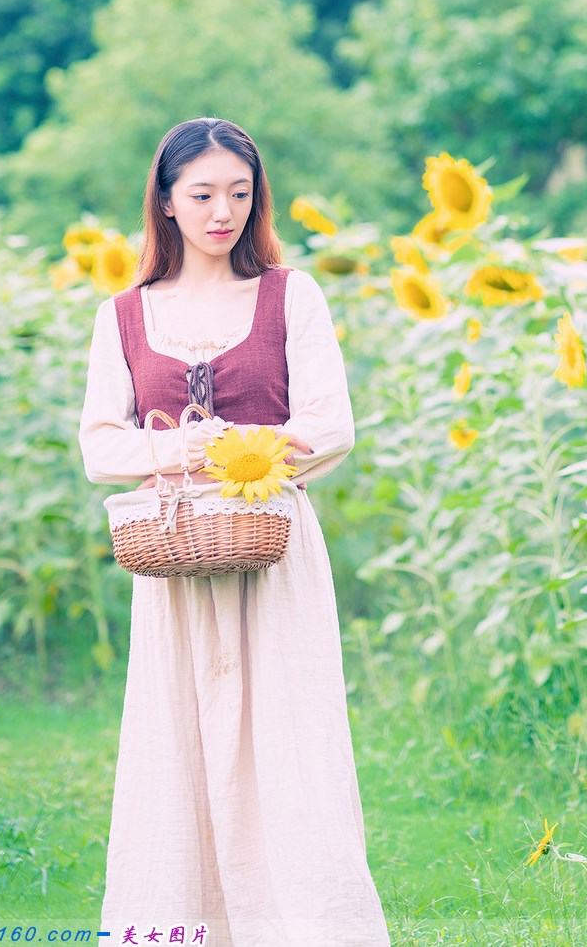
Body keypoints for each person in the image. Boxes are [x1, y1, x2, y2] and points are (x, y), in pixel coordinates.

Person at [78, 117, 391, 947]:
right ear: (168, 202)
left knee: (291, 740)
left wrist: (260, 451)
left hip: (273, 548)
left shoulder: (293, 295)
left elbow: (332, 422)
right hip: (175, 557)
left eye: (240, 193)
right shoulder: (124, 315)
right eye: (204, 194)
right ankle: (182, 927)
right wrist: (184, 445)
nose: (224, 211)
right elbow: (99, 444)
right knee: (176, 740)